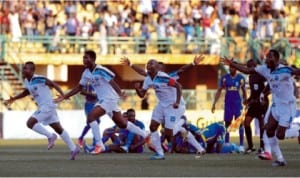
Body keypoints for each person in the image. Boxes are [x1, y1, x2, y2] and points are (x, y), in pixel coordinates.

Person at [56, 50, 150, 155]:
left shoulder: (100, 69)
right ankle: (145, 134)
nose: (84, 60)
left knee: (91, 117)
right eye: (83, 58)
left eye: (86, 58)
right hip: (106, 100)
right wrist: (65, 96)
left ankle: (99, 145)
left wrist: (119, 92)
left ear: (93, 59)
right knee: (122, 123)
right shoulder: (86, 73)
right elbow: (79, 87)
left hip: (109, 99)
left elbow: (112, 81)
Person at [222, 49, 300, 166]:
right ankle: (280, 159)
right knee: (269, 131)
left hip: (288, 106)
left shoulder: (284, 70)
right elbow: (248, 70)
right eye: (267, 57)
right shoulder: (264, 69)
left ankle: (297, 132)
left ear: (277, 59)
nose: (267, 59)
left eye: (270, 57)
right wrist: (232, 64)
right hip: (276, 105)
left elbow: (297, 72)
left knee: (280, 135)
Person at [3, 61, 80, 160]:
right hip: (46, 107)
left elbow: (53, 84)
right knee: (58, 128)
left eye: (25, 68)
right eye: (23, 68)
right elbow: (26, 92)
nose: (23, 69)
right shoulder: (27, 80)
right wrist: (14, 98)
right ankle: (74, 149)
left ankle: (50, 136)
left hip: (47, 106)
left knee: (30, 123)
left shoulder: (39, 78)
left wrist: (63, 95)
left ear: (31, 70)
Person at [134, 59, 185, 160]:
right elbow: (142, 95)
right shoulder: (148, 79)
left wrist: (177, 102)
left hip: (171, 105)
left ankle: (180, 128)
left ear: (157, 67)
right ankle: (159, 153)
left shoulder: (163, 77)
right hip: (161, 105)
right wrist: (136, 89)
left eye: (151, 63)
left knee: (168, 133)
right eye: (147, 63)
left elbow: (178, 86)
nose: (148, 64)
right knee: (153, 127)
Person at [211, 63, 247, 152]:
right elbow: (219, 90)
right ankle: (227, 143)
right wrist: (214, 103)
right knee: (227, 124)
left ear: (236, 68)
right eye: (230, 67)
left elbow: (244, 91)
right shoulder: (224, 78)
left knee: (240, 124)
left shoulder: (241, 78)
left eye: (233, 67)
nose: (231, 69)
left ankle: (242, 145)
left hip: (237, 104)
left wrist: (246, 102)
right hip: (228, 104)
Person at [243, 59, 269, 154]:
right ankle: (251, 146)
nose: (250, 68)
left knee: (262, 125)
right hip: (254, 104)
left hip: (262, 104)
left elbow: (269, 89)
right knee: (246, 122)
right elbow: (253, 93)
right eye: (248, 67)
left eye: (251, 66)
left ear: (255, 66)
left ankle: (262, 147)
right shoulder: (250, 77)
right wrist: (248, 100)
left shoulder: (262, 75)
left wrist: (262, 97)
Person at [77, 82, 99, 148]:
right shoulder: (88, 82)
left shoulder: (100, 83)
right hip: (89, 104)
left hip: (97, 104)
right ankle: (82, 138)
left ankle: (95, 143)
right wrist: (92, 94)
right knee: (92, 122)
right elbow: (81, 91)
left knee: (96, 122)